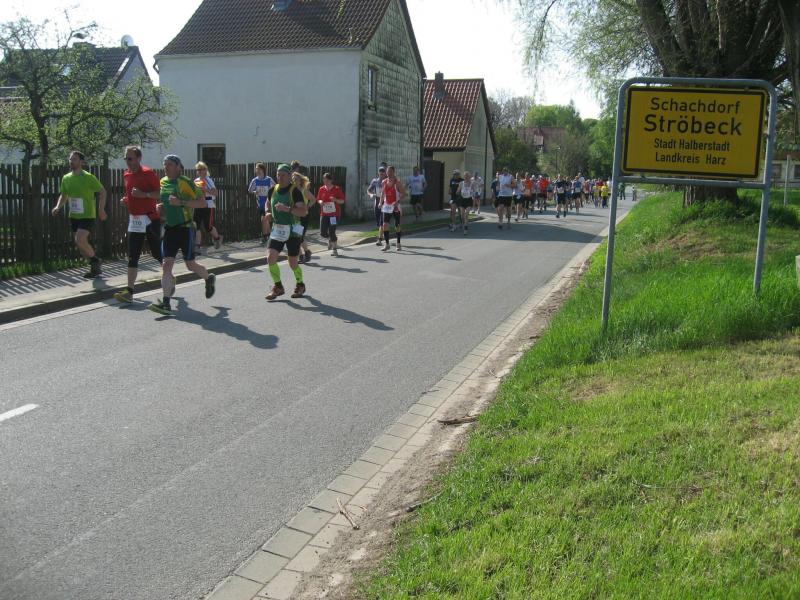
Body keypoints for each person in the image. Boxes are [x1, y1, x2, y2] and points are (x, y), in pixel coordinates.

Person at [148, 154, 216, 316]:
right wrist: (161, 207)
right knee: (166, 264)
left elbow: (202, 202)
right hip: (170, 228)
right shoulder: (163, 182)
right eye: (165, 164)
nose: (166, 167)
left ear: (178, 167)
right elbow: (166, 201)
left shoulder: (185, 182)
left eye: (170, 164)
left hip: (185, 229)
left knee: (190, 265)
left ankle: (208, 279)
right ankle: (166, 303)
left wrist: (181, 202)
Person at [114, 145, 162, 303]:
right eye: (126, 158)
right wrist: (126, 200)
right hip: (135, 221)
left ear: (139, 158)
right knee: (132, 255)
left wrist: (144, 194)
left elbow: (160, 193)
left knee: (156, 253)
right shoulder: (126, 174)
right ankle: (129, 292)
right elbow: (130, 194)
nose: (127, 161)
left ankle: (168, 276)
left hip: (150, 219)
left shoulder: (148, 173)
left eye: (130, 158)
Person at [51, 150, 107, 278]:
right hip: (74, 215)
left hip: (87, 215)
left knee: (80, 239)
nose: (71, 161)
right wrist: (58, 206)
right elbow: (64, 195)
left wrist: (101, 209)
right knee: (81, 246)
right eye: (70, 159)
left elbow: (103, 192)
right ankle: (95, 268)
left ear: (81, 162)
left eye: (74, 159)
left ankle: (95, 261)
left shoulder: (88, 177)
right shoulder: (66, 178)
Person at [265, 163, 308, 300]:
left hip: (293, 230)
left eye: (283, 175)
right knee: (270, 258)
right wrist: (268, 212)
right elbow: (268, 203)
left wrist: (287, 209)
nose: (280, 177)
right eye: (278, 175)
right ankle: (278, 286)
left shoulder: (295, 192)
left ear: (290, 176)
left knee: (293, 262)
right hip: (277, 229)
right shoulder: (272, 190)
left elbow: (303, 212)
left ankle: (300, 284)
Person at [193, 162, 222, 254]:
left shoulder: (208, 180)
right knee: (196, 226)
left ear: (205, 170)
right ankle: (197, 247)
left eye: (200, 169)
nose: (199, 171)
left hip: (208, 205)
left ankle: (217, 238)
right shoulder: (196, 181)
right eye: (197, 170)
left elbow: (215, 193)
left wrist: (205, 189)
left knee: (208, 227)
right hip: (198, 204)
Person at [317, 172, 345, 256]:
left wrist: (335, 200)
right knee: (322, 233)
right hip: (324, 214)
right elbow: (318, 199)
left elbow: (342, 201)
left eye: (327, 180)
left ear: (331, 180)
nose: (325, 182)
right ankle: (330, 239)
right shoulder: (321, 189)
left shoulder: (337, 189)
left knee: (332, 231)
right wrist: (320, 202)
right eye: (324, 180)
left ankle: (334, 249)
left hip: (334, 215)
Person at [290, 161, 313, 263]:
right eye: (293, 179)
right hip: (295, 216)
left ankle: (305, 254)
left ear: (300, 180)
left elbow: (313, 199)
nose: (294, 181)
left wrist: (307, 207)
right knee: (297, 236)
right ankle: (304, 254)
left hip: (303, 216)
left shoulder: (304, 190)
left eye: (296, 179)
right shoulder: (292, 190)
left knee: (299, 236)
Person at [379, 165, 406, 251]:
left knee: (397, 225)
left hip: (395, 206)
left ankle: (398, 243)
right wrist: (380, 202)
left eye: (390, 171)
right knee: (385, 225)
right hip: (387, 206)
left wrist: (397, 202)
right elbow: (382, 193)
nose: (389, 173)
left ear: (394, 172)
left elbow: (404, 194)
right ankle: (387, 244)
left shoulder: (397, 182)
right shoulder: (384, 182)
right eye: (387, 171)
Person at [248, 163, 275, 245]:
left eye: (259, 169)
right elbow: (250, 190)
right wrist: (255, 192)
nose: (257, 171)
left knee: (264, 219)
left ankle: (264, 237)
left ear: (263, 170)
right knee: (265, 220)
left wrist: (270, 192)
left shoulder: (269, 179)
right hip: (260, 203)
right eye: (256, 169)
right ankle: (269, 236)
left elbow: (276, 188)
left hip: (268, 203)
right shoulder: (255, 180)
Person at [367, 165, 387, 246]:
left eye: (383, 172)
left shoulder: (387, 181)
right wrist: (371, 194)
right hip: (377, 201)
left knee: (382, 221)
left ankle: (379, 239)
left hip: (385, 203)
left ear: (385, 173)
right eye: (380, 172)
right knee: (378, 222)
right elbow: (368, 190)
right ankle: (383, 234)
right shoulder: (375, 181)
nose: (382, 173)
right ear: (378, 172)